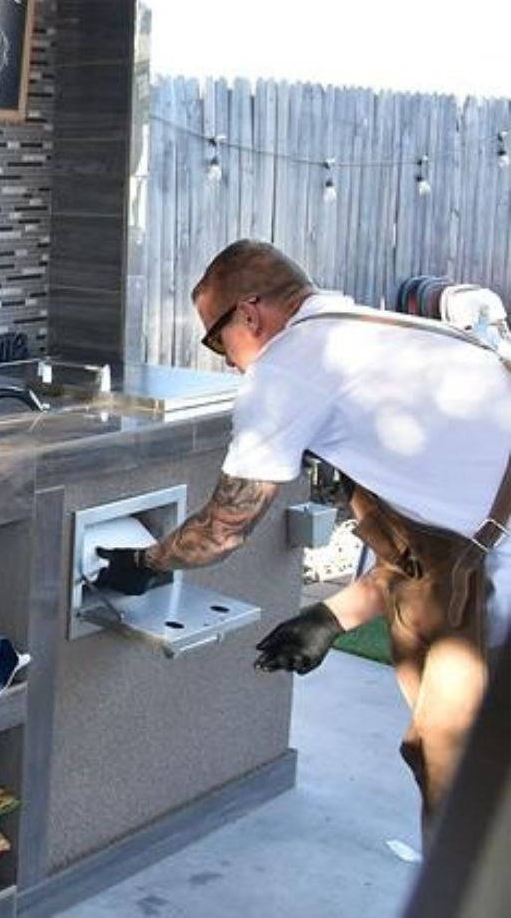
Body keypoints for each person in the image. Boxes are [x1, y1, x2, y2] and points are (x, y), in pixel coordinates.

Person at [96, 239, 511, 831]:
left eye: (218, 342)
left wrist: (146, 560)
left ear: (249, 313)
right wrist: (330, 618)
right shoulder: (379, 332)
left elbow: (223, 529)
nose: (227, 361)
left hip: (498, 579)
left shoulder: (289, 365)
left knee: (465, 780)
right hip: (488, 552)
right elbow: (434, 554)